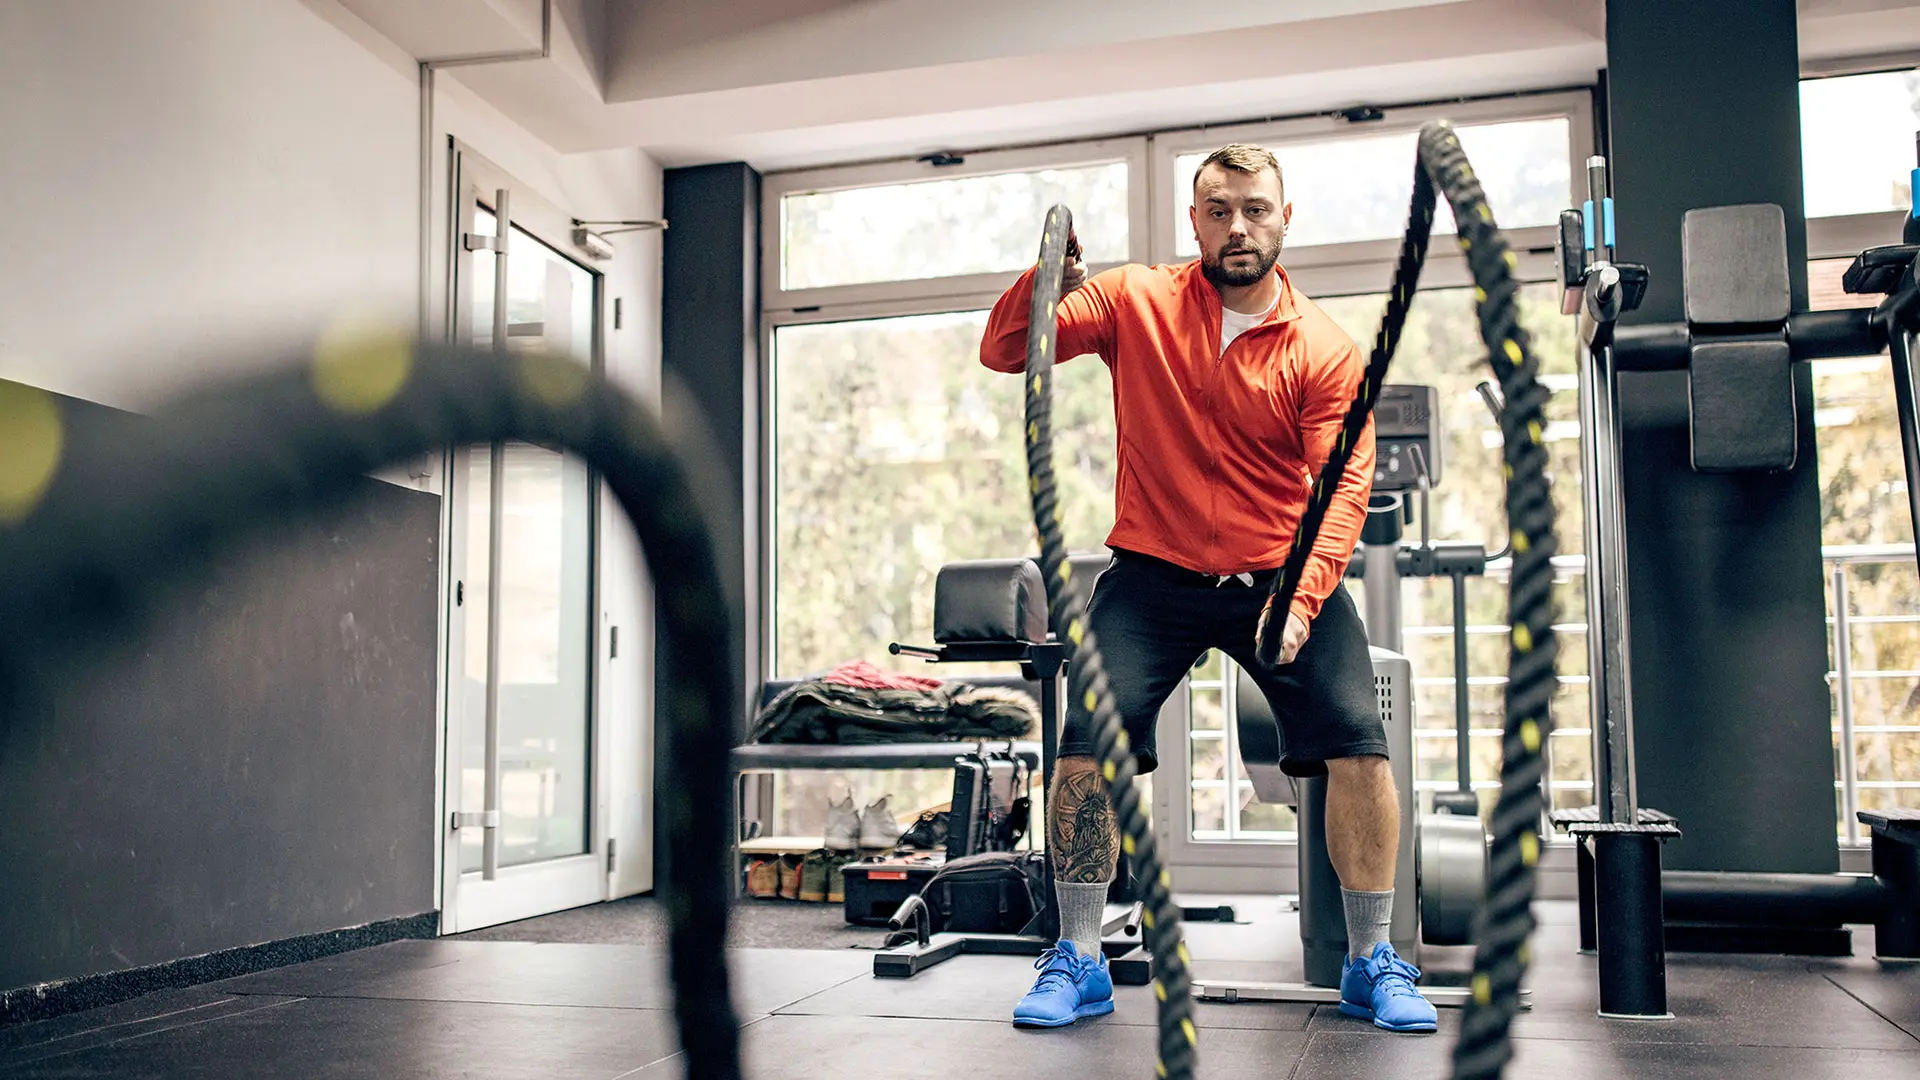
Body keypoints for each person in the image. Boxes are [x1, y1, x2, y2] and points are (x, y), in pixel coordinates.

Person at [976, 143, 1437, 1034]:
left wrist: (1301, 601)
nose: (1238, 226)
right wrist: (1046, 278)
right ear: (1195, 221)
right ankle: (1077, 953)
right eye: (1219, 209)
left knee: (1359, 745)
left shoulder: (1323, 348)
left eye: (1255, 209)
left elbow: (1342, 482)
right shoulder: (1135, 300)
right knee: (1086, 743)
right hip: (1153, 573)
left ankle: (1371, 958)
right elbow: (1006, 351)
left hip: (1279, 570)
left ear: (1284, 219)